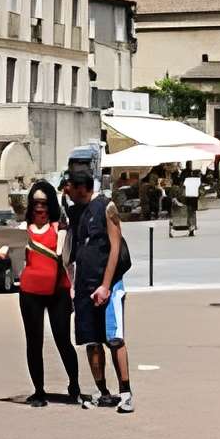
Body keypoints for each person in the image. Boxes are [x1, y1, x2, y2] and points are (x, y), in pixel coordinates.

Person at [0, 181, 82, 407]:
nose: (40, 208)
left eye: (44, 203)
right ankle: (39, 391)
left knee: (63, 340)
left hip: (59, 291)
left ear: (51, 205)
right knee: (33, 342)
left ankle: (74, 385)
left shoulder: (59, 228)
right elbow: (3, 254)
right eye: (36, 203)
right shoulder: (22, 231)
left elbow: (68, 260)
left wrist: (74, 290)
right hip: (30, 292)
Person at [63, 151, 134, 413]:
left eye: (70, 188)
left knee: (114, 338)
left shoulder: (106, 207)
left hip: (109, 285)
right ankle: (103, 392)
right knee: (91, 341)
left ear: (82, 188)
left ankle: (125, 392)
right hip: (84, 287)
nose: (67, 193)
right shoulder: (74, 212)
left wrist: (106, 285)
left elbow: (115, 248)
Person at [182, 163, 202, 234]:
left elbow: (184, 187)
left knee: (189, 211)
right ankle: (193, 225)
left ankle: (190, 225)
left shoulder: (187, 179)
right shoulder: (198, 180)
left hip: (188, 196)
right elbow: (199, 189)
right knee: (193, 212)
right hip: (194, 197)